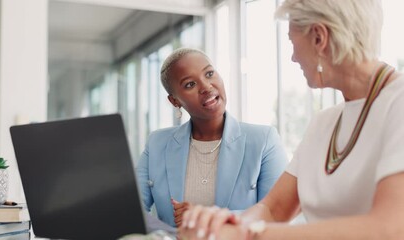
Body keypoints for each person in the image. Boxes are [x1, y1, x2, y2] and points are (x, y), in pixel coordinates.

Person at [179, 0, 404, 239]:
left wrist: (247, 234)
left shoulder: (397, 102)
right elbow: (273, 209)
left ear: (319, 37)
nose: (294, 57)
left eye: (292, 42)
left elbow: (389, 228)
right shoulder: (324, 123)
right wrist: (222, 226)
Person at [135, 48, 288, 228]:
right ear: (174, 101)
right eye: (190, 84)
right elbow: (131, 212)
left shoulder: (263, 140)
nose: (206, 87)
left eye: (209, 73)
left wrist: (206, 218)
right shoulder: (157, 144)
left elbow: (277, 215)